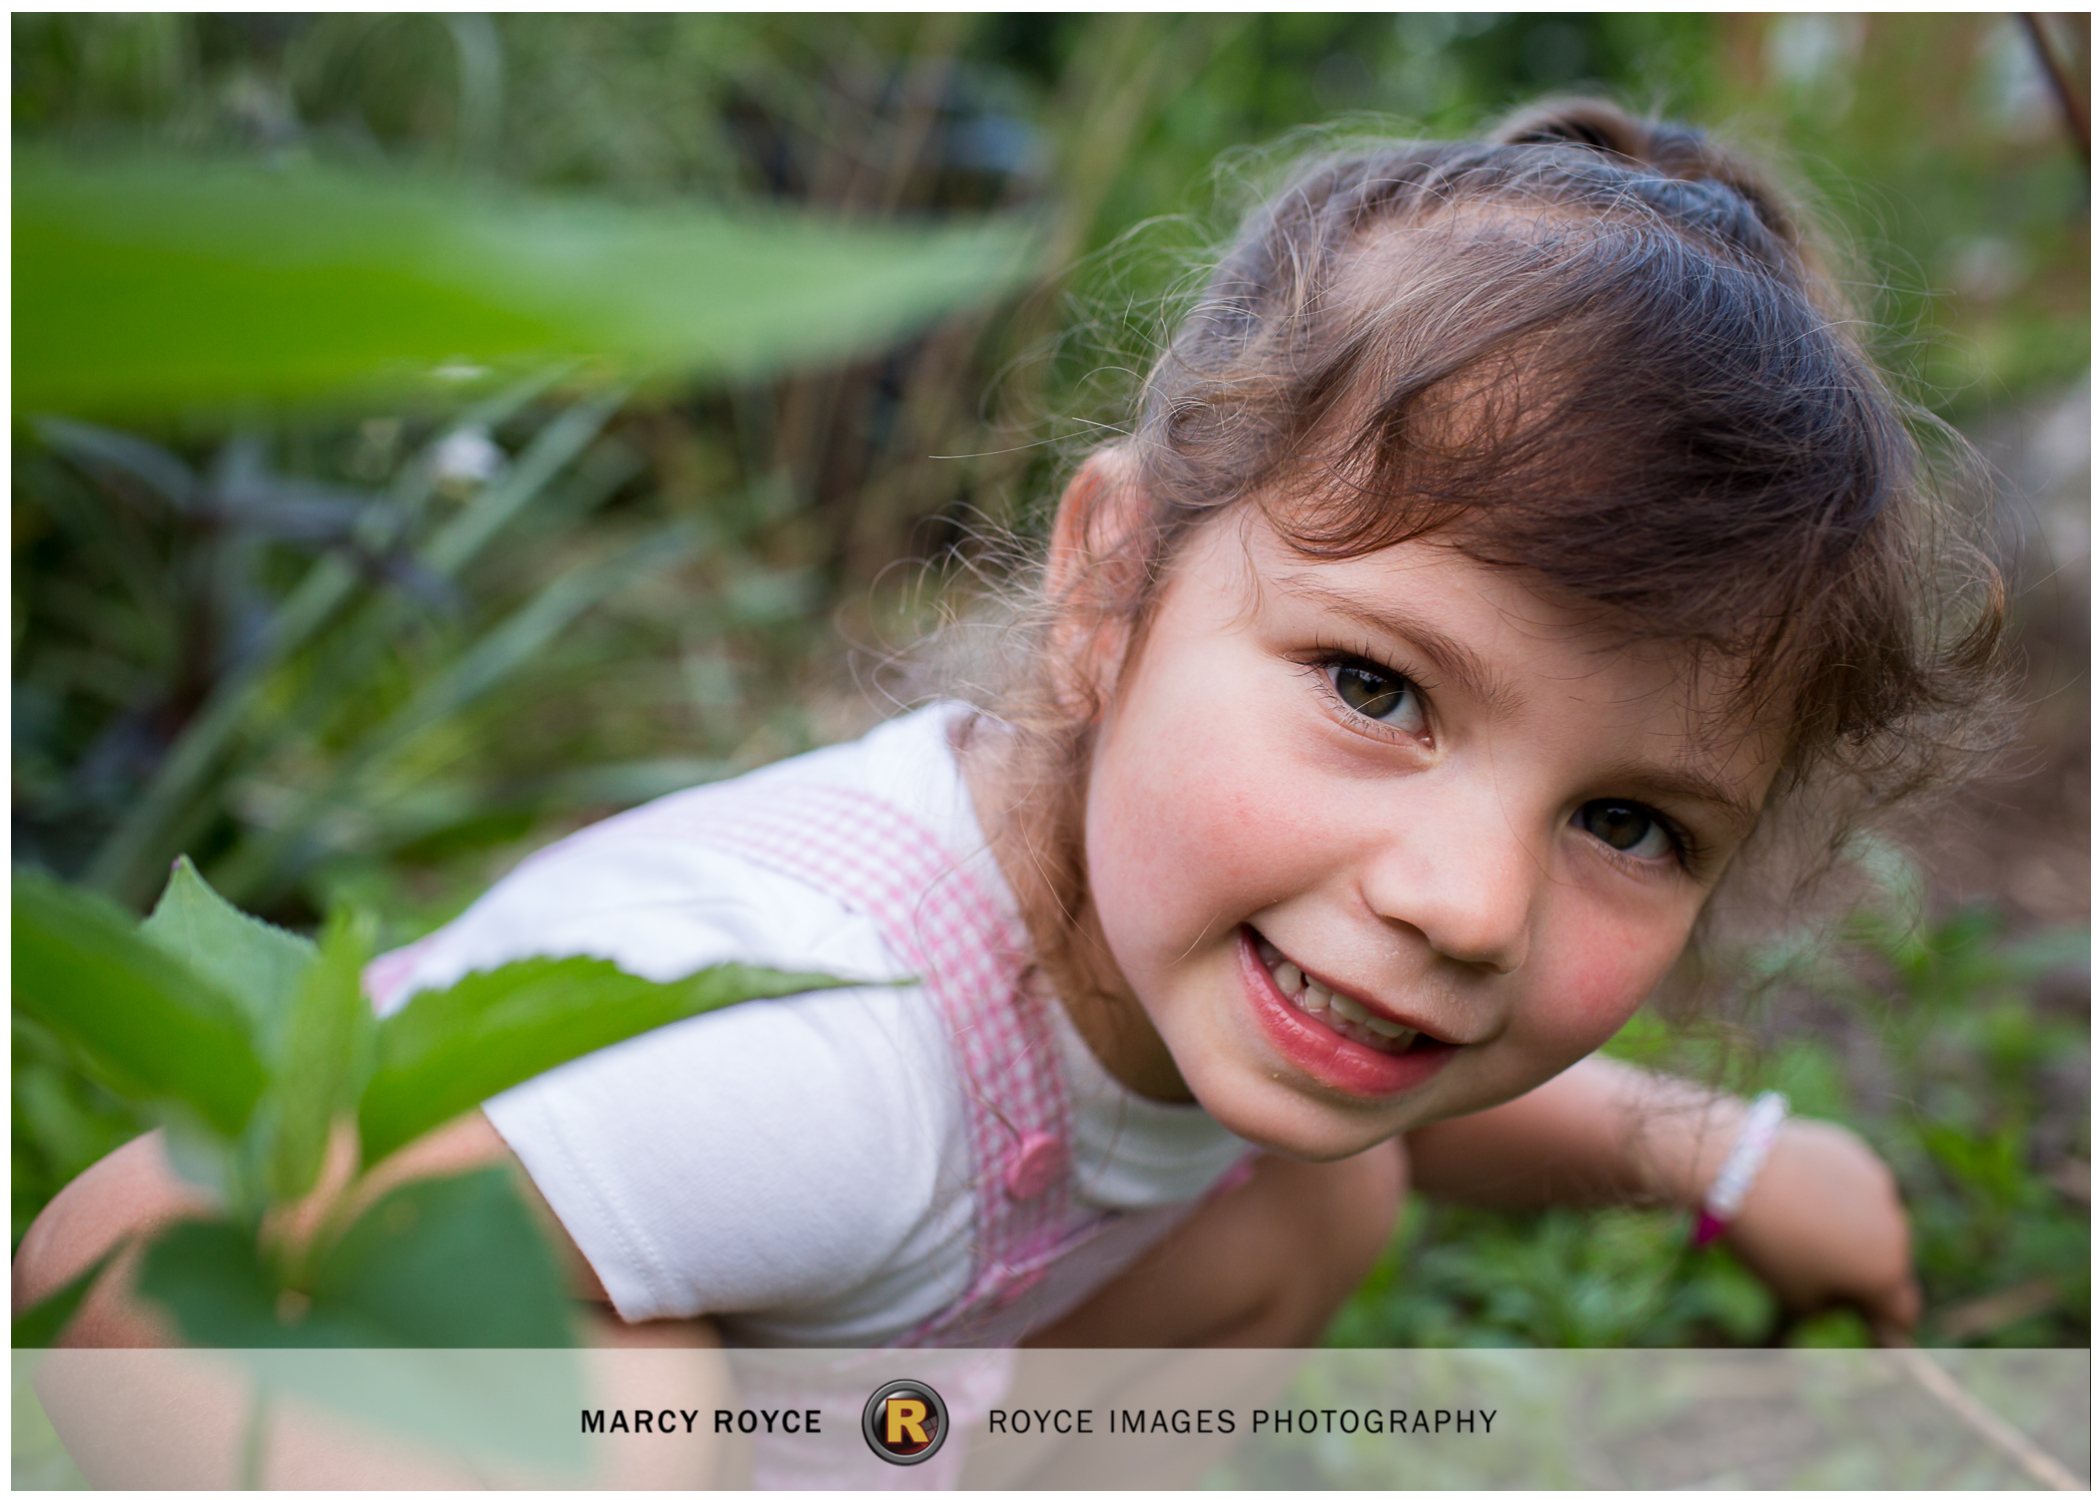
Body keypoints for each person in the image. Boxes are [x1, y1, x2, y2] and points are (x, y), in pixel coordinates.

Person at [20, 100, 2004, 1372]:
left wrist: (1724, 1154)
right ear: (1111, 586)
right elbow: (112, 1260)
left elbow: (1474, 1094)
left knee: (1329, 1180)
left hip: (888, 1375)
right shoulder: (822, 1056)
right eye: (1378, 689)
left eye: (1632, 821)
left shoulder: (1219, 925)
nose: (1469, 901)